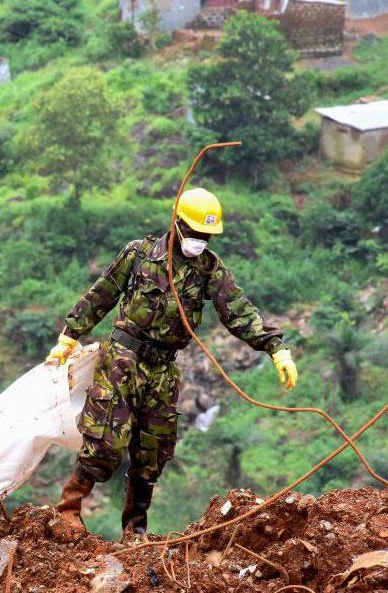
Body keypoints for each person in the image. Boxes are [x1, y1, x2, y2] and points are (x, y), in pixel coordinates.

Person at [46, 188, 298, 537]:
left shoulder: (209, 269)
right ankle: (68, 511)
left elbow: (237, 309)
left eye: (206, 235)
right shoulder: (140, 254)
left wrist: (275, 346)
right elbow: (102, 293)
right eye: (195, 233)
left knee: (152, 453)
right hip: (122, 359)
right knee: (105, 442)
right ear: (178, 223)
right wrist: (69, 336)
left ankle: (135, 531)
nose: (199, 240)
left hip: (162, 369)